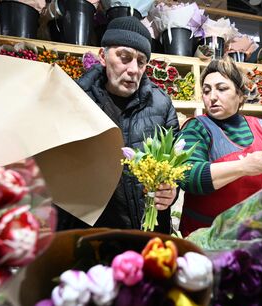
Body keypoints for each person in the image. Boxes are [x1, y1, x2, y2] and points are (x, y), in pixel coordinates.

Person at [55, 16, 179, 233]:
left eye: (141, 62)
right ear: (103, 56)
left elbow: (175, 165)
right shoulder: (76, 100)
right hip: (89, 233)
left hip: (147, 233)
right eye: (124, 57)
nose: (133, 69)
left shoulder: (161, 104)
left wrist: (171, 191)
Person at [179, 56, 262, 237]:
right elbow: (188, 176)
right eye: (206, 91)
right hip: (205, 235)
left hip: (251, 231)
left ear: (241, 95)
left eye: (222, 89)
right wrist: (243, 166)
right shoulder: (197, 127)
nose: (212, 97)